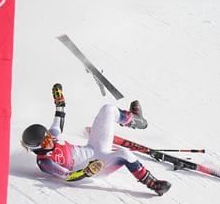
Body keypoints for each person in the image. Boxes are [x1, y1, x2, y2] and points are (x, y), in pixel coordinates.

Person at [21, 83, 171, 196]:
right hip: (96, 167)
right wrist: (87, 171)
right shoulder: (45, 162)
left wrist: (60, 102)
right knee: (124, 153)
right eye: (46, 142)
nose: (50, 141)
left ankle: (135, 120)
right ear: (37, 148)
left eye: (48, 136)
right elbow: (68, 176)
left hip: (94, 148)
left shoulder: (53, 137)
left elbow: (59, 118)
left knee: (108, 109)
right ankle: (153, 184)